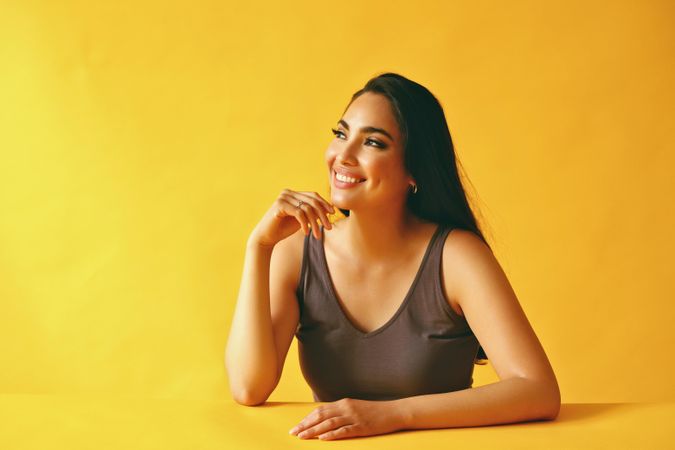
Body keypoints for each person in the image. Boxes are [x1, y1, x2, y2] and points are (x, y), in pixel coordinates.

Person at [225, 72, 561, 440]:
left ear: (414, 172)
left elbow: (537, 389)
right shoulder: (297, 253)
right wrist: (258, 248)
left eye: (372, 142)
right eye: (340, 134)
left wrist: (394, 414)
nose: (344, 155)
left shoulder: (457, 258)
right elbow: (248, 388)